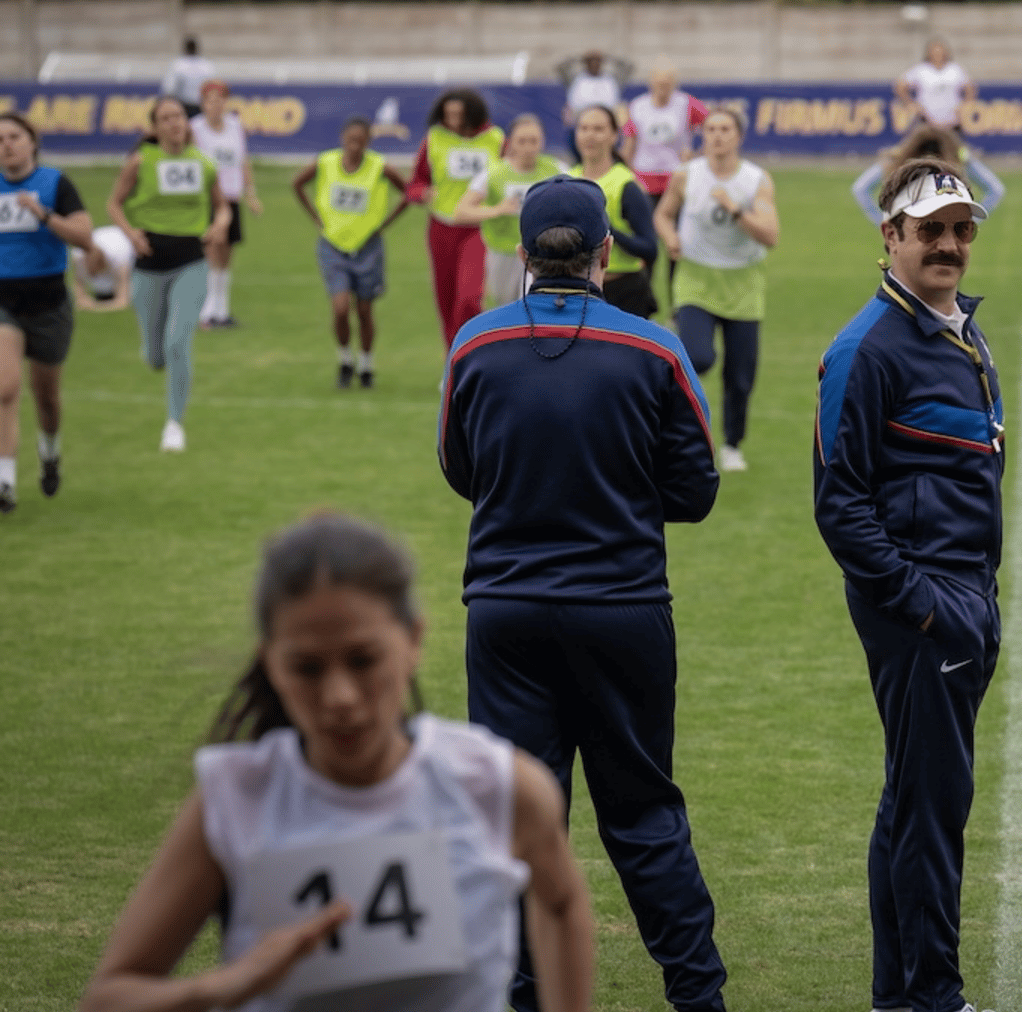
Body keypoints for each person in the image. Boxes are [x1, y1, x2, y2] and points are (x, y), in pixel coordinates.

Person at [78, 513, 596, 1012]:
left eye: (363, 659)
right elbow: (108, 997)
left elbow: (562, 903)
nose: (340, 697)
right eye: (306, 667)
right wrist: (227, 986)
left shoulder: (497, 786)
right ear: (270, 666)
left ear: (413, 640)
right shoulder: (233, 797)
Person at [439, 176, 731, 1012]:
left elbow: (463, 471)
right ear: (608, 252)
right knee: (644, 817)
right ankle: (697, 996)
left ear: (523, 256)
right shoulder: (655, 347)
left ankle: (522, 998)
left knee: (521, 826)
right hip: (623, 609)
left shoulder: (474, 345)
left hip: (505, 612)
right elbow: (698, 490)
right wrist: (619, 494)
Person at [814, 157, 1001, 1012]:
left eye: (961, 229)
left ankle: (901, 996)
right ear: (890, 235)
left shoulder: (958, 326)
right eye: (930, 230)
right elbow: (839, 504)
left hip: (958, 596)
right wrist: (924, 606)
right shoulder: (864, 349)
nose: (949, 245)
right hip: (924, 608)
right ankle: (935, 997)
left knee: (912, 802)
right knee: (931, 816)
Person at [654, 109, 777, 472]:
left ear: (738, 136)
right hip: (696, 281)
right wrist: (671, 238)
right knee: (700, 358)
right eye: (711, 129)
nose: (717, 136)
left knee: (740, 378)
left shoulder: (756, 181)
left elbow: (771, 236)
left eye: (725, 129)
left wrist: (736, 210)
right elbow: (662, 214)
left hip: (743, 285)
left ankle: (731, 445)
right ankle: (674, 426)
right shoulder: (686, 175)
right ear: (702, 135)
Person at [106, 95, 231, 453]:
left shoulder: (203, 164)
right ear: (155, 127)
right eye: (166, 118)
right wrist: (130, 234)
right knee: (155, 356)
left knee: (179, 343)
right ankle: (154, 354)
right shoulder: (140, 162)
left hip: (191, 261)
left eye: (179, 117)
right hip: (148, 265)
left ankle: (174, 424)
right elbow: (114, 203)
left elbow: (222, 206)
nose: (175, 123)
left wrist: (219, 225)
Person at [0, 112, 93, 513]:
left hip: (48, 302)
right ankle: (4, 480)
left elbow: (85, 238)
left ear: (32, 142)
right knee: (5, 388)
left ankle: (50, 451)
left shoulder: (55, 183)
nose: (6, 145)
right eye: (0, 139)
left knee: (47, 399)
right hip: (4, 301)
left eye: (14, 136)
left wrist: (44, 216)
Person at [293, 116, 410, 389]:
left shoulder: (379, 166)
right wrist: (314, 217)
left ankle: (366, 365)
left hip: (367, 246)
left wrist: (385, 224)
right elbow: (297, 184)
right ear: (342, 139)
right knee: (341, 307)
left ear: (369, 142)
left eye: (361, 141)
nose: (355, 146)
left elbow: (408, 193)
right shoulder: (326, 162)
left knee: (365, 310)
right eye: (351, 140)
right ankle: (345, 360)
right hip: (333, 245)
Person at [406, 88, 505, 349]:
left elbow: (509, 175)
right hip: (441, 227)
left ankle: (470, 351)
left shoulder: (495, 139)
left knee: (470, 298)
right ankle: (453, 362)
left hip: (478, 228)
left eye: (458, 115)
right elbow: (416, 182)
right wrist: (422, 193)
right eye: (448, 114)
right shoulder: (434, 138)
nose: (452, 120)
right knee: (446, 301)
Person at [454, 114, 565, 307]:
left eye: (534, 141)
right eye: (522, 141)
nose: (528, 147)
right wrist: (496, 210)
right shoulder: (493, 174)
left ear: (543, 141)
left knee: (536, 308)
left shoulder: (556, 170)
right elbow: (461, 212)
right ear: (511, 142)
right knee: (505, 307)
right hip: (503, 253)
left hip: (543, 255)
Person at [621, 58, 707, 304]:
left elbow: (712, 126)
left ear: (675, 84)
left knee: (677, 247)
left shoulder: (687, 105)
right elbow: (629, 146)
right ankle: (644, 302)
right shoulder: (637, 107)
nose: (663, 88)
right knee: (646, 248)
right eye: (659, 83)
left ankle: (678, 305)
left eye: (668, 83)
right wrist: (627, 177)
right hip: (644, 183)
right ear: (651, 83)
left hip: (677, 183)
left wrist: (696, 155)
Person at [566, 105, 660, 318]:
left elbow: (650, 248)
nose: (590, 135)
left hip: (624, 291)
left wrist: (606, 229)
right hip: (578, 291)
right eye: (584, 128)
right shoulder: (568, 179)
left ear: (613, 136)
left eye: (598, 129)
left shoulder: (625, 184)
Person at [190, 80, 261, 329]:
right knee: (212, 252)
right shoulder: (195, 129)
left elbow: (242, 160)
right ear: (203, 103)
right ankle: (207, 312)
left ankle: (222, 310)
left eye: (220, 99)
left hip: (231, 197)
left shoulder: (234, 125)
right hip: (208, 198)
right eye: (210, 100)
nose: (216, 105)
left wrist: (250, 193)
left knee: (227, 254)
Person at [851, 124, 1005, 226]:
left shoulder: (900, 159)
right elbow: (996, 189)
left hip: (910, 233)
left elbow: (860, 188)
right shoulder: (958, 160)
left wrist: (883, 221)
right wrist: (970, 222)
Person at [895, 39, 976, 132]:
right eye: (935, 52)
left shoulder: (955, 69)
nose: (938, 55)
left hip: (953, 123)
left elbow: (970, 88)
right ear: (929, 53)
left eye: (940, 52)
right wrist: (910, 104)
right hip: (927, 122)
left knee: (957, 146)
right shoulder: (921, 70)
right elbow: (900, 86)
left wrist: (966, 105)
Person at [561, 49, 621, 156]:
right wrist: (578, 58)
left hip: (604, 123)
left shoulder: (611, 79)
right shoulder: (575, 78)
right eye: (590, 61)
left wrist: (608, 58)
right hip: (581, 123)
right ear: (585, 63)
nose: (594, 64)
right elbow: (560, 68)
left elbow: (628, 68)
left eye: (597, 61)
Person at [69, 223, 136, 313]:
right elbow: (78, 283)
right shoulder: (78, 254)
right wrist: (81, 299)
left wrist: (94, 306)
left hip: (126, 243)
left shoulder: (121, 257)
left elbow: (123, 301)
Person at [161, 36, 213, 117]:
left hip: (183, 106)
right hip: (201, 106)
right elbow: (212, 87)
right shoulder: (206, 65)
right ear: (197, 48)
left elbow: (169, 89)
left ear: (185, 48)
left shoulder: (178, 65)